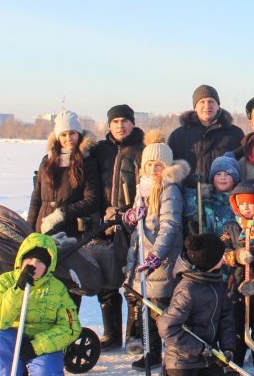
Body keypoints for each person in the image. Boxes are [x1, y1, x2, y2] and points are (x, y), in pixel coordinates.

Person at [125, 131, 189, 370]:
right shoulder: (142, 188)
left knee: (160, 311)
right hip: (141, 258)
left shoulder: (169, 189)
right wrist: (130, 217)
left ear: (167, 167)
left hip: (161, 261)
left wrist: (157, 256)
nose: (153, 169)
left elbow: (170, 225)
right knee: (144, 308)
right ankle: (150, 353)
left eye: (158, 165)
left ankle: (171, 356)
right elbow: (136, 225)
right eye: (149, 164)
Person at [0, 233, 81, 376]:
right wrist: (18, 289)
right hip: (12, 338)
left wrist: (37, 346)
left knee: (47, 371)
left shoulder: (57, 289)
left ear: (48, 267)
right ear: (21, 259)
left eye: (40, 262)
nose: (33, 264)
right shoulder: (5, 282)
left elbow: (71, 327)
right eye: (29, 258)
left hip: (42, 342)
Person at [91, 103, 145, 351]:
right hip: (104, 224)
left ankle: (135, 335)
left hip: (132, 224)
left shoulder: (142, 150)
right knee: (106, 281)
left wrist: (130, 214)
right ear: (109, 125)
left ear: (132, 123)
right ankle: (111, 334)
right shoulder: (99, 151)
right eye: (115, 121)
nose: (120, 125)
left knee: (133, 279)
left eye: (125, 121)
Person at [219, 179, 254, 376]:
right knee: (234, 329)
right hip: (236, 289)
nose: (246, 207)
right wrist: (236, 256)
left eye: (251, 202)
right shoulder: (231, 227)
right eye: (241, 203)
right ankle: (234, 364)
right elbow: (222, 251)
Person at [157, 233, 235, 376]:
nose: (224, 258)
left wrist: (228, 346)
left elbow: (226, 317)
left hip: (209, 358)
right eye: (221, 256)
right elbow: (167, 327)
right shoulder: (187, 290)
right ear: (211, 261)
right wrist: (198, 348)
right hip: (183, 362)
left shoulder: (216, 283)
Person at [27, 109, 100, 239]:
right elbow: (36, 197)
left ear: (79, 134)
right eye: (63, 135)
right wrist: (29, 229)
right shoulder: (47, 161)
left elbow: (92, 200)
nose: (68, 139)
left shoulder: (87, 162)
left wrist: (61, 214)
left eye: (72, 133)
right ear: (57, 137)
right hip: (42, 227)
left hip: (69, 231)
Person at [168, 84, 245, 185]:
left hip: (224, 196)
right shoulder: (178, 135)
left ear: (218, 106)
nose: (207, 106)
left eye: (211, 101)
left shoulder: (235, 133)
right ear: (195, 107)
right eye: (202, 102)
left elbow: (243, 168)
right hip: (189, 195)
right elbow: (169, 169)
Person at [184, 152, 240, 236]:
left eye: (228, 174)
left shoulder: (239, 201)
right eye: (218, 174)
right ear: (213, 179)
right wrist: (195, 190)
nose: (222, 177)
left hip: (233, 247)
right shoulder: (205, 201)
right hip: (208, 245)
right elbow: (189, 212)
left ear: (235, 180)